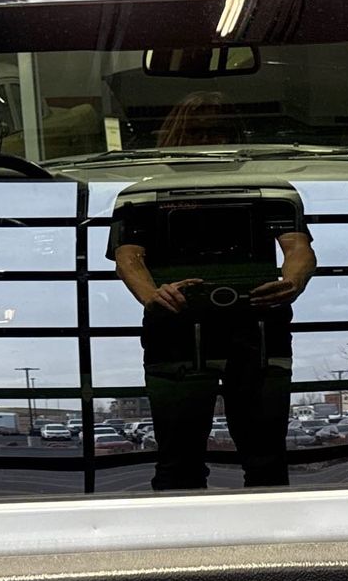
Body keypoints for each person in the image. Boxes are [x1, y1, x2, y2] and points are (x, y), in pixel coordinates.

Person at [109, 182, 316, 490]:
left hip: (230, 327)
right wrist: (151, 295)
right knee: (204, 460)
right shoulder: (270, 188)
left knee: (252, 458)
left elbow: (299, 249)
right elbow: (127, 258)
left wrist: (293, 281)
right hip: (204, 328)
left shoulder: (141, 195)